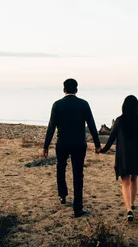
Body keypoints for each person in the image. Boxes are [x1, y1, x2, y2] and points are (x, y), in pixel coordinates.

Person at [43, 78, 101, 217]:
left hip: (62, 142)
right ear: (76, 90)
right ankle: (77, 207)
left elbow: (51, 127)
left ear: (64, 90)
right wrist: (97, 144)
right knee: (78, 174)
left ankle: (62, 195)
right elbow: (92, 125)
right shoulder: (83, 104)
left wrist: (45, 146)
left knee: (61, 168)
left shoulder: (57, 105)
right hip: (79, 144)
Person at [100, 95, 138, 222]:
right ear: (137, 107)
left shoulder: (119, 121)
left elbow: (111, 139)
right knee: (134, 179)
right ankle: (131, 203)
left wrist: (102, 150)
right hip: (137, 153)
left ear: (124, 107)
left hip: (123, 155)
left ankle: (129, 210)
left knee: (125, 182)